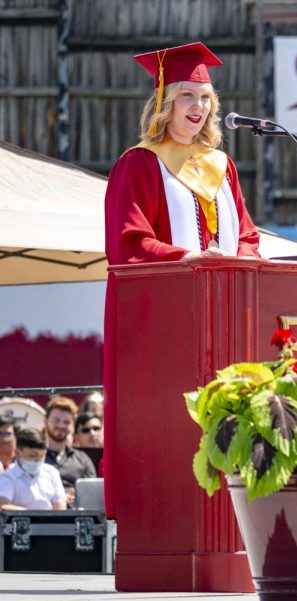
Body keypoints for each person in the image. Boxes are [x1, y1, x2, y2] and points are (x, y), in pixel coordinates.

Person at [103, 42, 262, 518]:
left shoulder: (221, 166)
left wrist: (242, 264)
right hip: (167, 322)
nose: (199, 107)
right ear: (164, 101)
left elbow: (249, 235)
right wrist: (194, 258)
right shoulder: (141, 163)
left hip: (225, 315)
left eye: (205, 97)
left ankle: (230, 521)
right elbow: (129, 243)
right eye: (187, 96)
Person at [43, 396, 97, 507]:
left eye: (67, 422)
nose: (61, 425)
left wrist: (76, 497)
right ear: (45, 421)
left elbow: (92, 493)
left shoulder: (83, 459)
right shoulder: (31, 457)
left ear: (73, 425)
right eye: (56, 420)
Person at [0, 428, 67, 510]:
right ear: (17, 453)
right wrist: (33, 516)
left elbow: (60, 507)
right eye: (32, 455)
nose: (38, 460)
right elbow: (2, 506)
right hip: (22, 521)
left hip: (50, 522)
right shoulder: (8, 476)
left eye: (42, 455)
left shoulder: (52, 473)